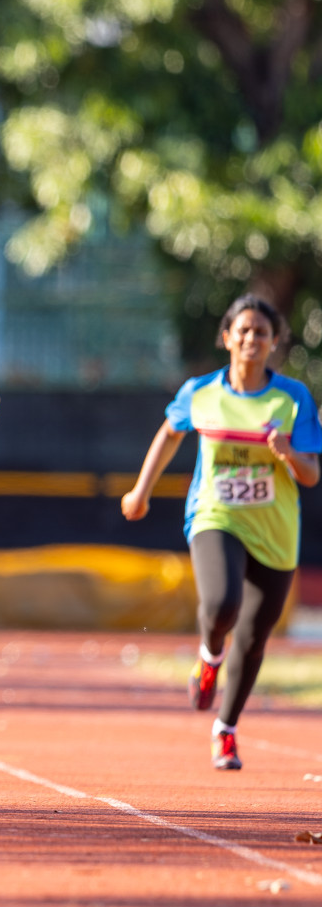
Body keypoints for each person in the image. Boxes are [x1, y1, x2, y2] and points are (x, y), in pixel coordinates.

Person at [121, 294, 321, 771]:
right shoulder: (202, 392)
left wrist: (287, 452)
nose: (252, 339)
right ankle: (209, 657)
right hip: (215, 515)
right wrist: (140, 491)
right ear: (228, 337)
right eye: (244, 330)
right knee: (222, 604)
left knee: (253, 638)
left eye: (263, 333)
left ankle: (225, 731)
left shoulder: (292, 399)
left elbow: (311, 474)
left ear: (274, 343)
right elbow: (170, 433)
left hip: (274, 529)